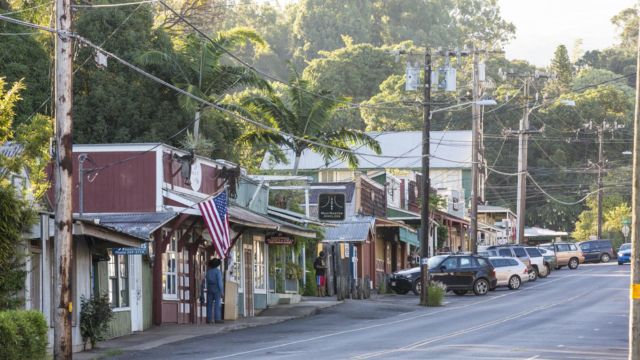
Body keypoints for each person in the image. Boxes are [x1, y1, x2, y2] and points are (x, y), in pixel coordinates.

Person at [205, 258, 224, 324]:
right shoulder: (218, 272)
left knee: (209, 304)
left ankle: (209, 319)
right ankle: (217, 319)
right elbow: (220, 282)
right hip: (217, 289)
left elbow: (206, 281)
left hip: (210, 288)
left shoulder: (208, 271)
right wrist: (222, 291)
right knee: (217, 304)